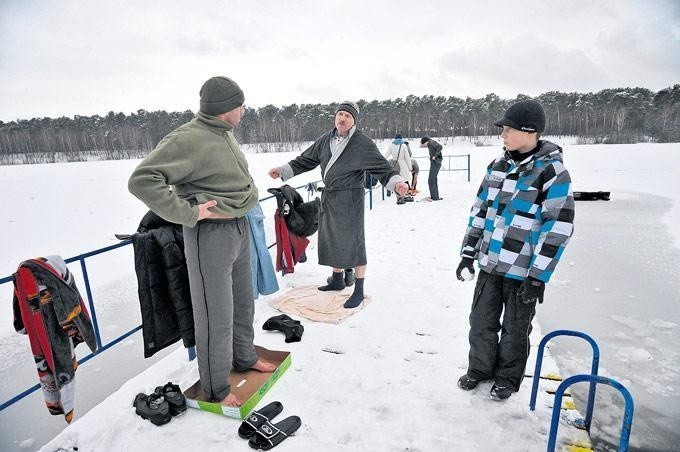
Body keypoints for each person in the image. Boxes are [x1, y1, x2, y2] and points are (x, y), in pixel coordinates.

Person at [128, 76, 276, 407]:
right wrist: (188, 212)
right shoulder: (188, 139)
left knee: (242, 303)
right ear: (227, 108)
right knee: (215, 314)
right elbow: (142, 180)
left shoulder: (224, 135)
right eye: (241, 106)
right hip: (210, 235)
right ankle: (216, 389)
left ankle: (244, 356)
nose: (243, 111)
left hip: (238, 229)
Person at [455, 99, 575, 401]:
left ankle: (507, 378)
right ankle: (480, 369)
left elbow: (558, 226)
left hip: (523, 272)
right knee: (480, 322)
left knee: (515, 329)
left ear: (529, 131)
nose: (503, 135)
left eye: (509, 129)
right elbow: (479, 211)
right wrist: (468, 253)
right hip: (490, 263)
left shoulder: (552, 172)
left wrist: (538, 276)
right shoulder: (498, 166)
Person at [268, 101, 409, 308]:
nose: (342, 119)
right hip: (330, 197)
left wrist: (397, 184)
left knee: (354, 242)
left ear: (353, 121)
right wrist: (282, 170)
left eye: (347, 116)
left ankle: (359, 290)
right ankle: (336, 279)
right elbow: (305, 159)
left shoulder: (362, 143)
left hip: (350, 199)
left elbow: (382, 168)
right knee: (331, 237)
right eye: (340, 114)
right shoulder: (326, 139)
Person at [384, 133, 413, 205]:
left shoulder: (391, 145)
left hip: (395, 165)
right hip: (403, 165)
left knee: (396, 182)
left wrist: (383, 163)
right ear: (401, 138)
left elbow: (386, 155)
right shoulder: (403, 145)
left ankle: (398, 198)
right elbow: (407, 157)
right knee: (404, 181)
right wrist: (410, 167)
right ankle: (404, 197)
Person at [420, 136, 443, 201]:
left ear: (425, 142)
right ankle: (435, 196)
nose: (424, 145)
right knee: (433, 179)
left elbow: (440, 147)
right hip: (435, 162)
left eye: (423, 143)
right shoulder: (430, 143)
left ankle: (434, 197)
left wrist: (434, 156)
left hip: (436, 162)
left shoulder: (432, 142)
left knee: (431, 180)